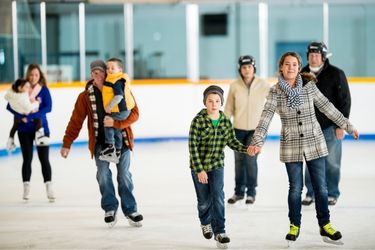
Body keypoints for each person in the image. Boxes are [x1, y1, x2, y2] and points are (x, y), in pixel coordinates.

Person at [247, 52, 359, 244]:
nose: (291, 68)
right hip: (291, 146)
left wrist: (348, 126)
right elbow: (265, 119)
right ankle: (294, 226)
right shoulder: (275, 92)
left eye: (295, 65)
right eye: (287, 64)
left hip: (314, 142)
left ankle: (325, 226)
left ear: (299, 68)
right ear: (281, 67)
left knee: (321, 188)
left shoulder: (309, 87)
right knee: (295, 188)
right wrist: (257, 141)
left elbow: (328, 108)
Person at [60, 59, 143, 228]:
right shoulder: (85, 96)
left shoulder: (118, 87)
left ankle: (130, 210)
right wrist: (67, 143)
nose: (97, 75)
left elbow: (134, 114)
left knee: (124, 176)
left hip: (123, 141)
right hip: (100, 143)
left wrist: (116, 124)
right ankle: (110, 209)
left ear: (106, 73)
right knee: (104, 176)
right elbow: (76, 121)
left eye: (100, 72)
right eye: (94, 73)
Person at [189, 85, 251, 248]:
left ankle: (220, 231)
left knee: (218, 197)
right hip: (199, 166)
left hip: (217, 165)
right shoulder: (198, 121)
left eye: (217, 101)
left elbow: (231, 141)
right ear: (205, 103)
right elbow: (192, 147)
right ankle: (205, 222)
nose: (214, 104)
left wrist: (246, 149)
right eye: (210, 101)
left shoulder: (224, 121)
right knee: (204, 201)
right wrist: (200, 170)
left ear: (221, 103)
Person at [301, 42, 351, 206]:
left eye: (316, 55)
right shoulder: (302, 74)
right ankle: (311, 193)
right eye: (311, 55)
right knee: (310, 163)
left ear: (323, 57)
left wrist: (340, 125)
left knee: (332, 162)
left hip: (331, 127)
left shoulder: (336, 74)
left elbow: (344, 101)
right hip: (309, 128)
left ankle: (332, 193)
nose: (313, 58)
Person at [224, 55, 270, 205]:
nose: (247, 70)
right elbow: (229, 108)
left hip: (256, 131)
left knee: (250, 161)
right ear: (240, 69)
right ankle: (238, 192)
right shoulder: (234, 86)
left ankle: (251, 193)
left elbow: (273, 105)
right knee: (239, 161)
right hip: (237, 129)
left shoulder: (263, 85)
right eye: (244, 67)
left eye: (249, 67)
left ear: (254, 68)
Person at [6, 64, 54, 202]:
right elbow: (9, 105)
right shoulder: (20, 88)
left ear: (40, 76)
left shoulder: (43, 90)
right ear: (27, 75)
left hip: (41, 128)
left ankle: (49, 187)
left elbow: (48, 107)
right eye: (31, 75)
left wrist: (31, 116)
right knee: (27, 159)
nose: (33, 77)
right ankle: (26, 187)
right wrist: (21, 117)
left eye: (36, 75)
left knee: (44, 159)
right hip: (24, 129)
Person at [99, 57, 135, 164]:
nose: (109, 70)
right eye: (107, 68)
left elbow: (119, 96)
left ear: (120, 70)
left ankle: (110, 147)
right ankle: (117, 150)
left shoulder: (117, 81)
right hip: (122, 111)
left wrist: (109, 106)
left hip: (121, 111)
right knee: (116, 129)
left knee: (108, 122)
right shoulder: (111, 79)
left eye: (112, 68)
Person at [4, 78, 44, 152]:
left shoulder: (11, 93)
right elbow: (29, 108)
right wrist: (37, 103)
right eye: (27, 87)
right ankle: (40, 135)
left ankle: (10, 139)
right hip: (25, 112)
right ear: (20, 88)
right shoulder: (23, 97)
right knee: (38, 119)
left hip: (18, 114)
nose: (29, 88)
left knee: (15, 126)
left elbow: (7, 97)